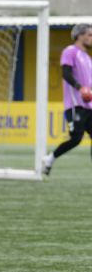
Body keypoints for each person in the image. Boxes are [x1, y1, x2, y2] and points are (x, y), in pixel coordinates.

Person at [43, 23, 92, 176]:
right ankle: (50, 158)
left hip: (88, 106)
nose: (91, 38)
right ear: (79, 35)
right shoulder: (71, 51)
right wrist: (79, 87)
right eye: (89, 35)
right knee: (76, 138)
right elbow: (66, 73)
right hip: (75, 104)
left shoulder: (88, 58)